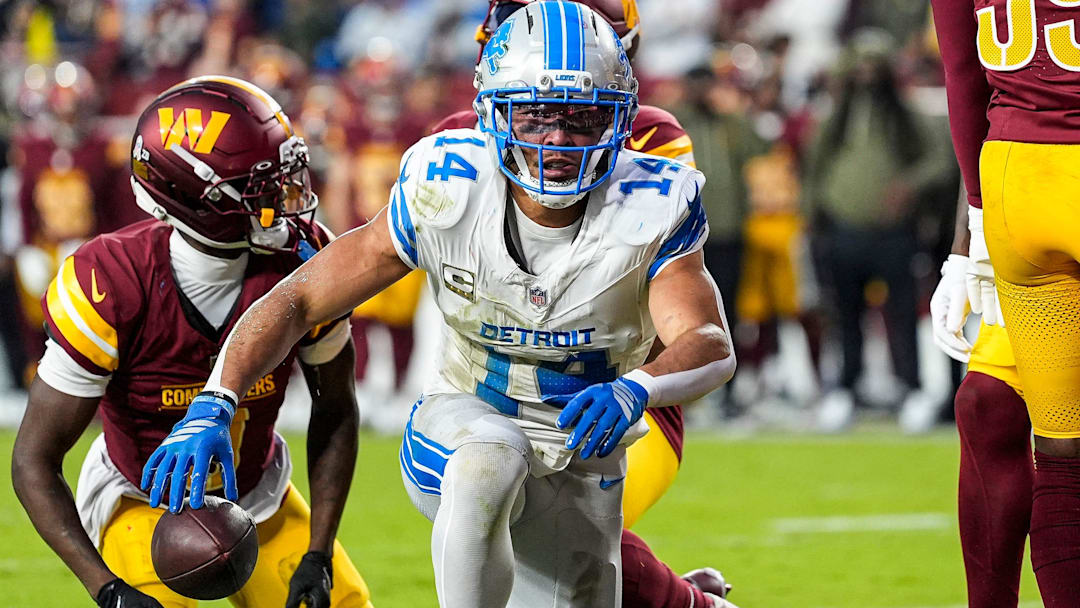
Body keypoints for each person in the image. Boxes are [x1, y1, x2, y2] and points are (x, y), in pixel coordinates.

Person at [143, 4, 736, 607]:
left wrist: (637, 388)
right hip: (460, 426)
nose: (558, 140)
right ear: (492, 114)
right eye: (534, 116)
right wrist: (215, 400)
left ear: (622, 119)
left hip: (581, 453)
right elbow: (299, 298)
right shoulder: (449, 182)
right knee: (491, 459)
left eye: (582, 118)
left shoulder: (655, 199)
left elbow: (708, 338)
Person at [11, 76, 373, 608]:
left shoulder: (303, 260)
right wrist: (107, 590)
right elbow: (33, 462)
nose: (286, 195)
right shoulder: (109, 280)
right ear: (196, 196)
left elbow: (337, 409)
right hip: (137, 497)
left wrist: (319, 552)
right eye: (261, 184)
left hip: (258, 494)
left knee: (344, 605)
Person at [432, 2, 734, 606]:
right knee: (490, 516)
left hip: (613, 388)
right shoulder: (456, 140)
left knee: (560, 543)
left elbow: (611, 270)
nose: (556, 138)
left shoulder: (651, 137)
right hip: (495, 387)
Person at [932, 1, 1080, 605]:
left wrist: (977, 215)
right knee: (993, 405)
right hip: (1021, 175)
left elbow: (963, 74)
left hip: (1017, 178)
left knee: (1060, 457)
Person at [930, 185, 1031, 608]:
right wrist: (961, 254)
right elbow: (974, 131)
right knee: (985, 402)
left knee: (1065, 439)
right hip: (1030, 228)